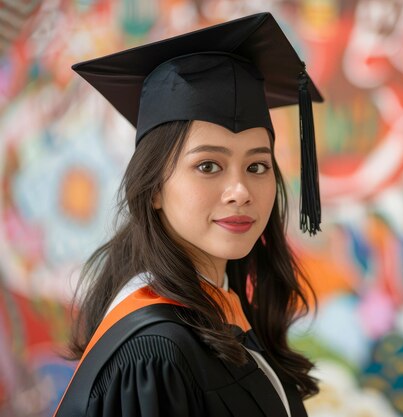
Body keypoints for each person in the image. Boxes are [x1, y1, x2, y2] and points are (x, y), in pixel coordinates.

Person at [54, 12, 323, 417]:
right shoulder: (154, 355)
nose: (240, 191)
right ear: (154, 188)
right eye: (208, 166)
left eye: (257, 166)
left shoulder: (224, 314)